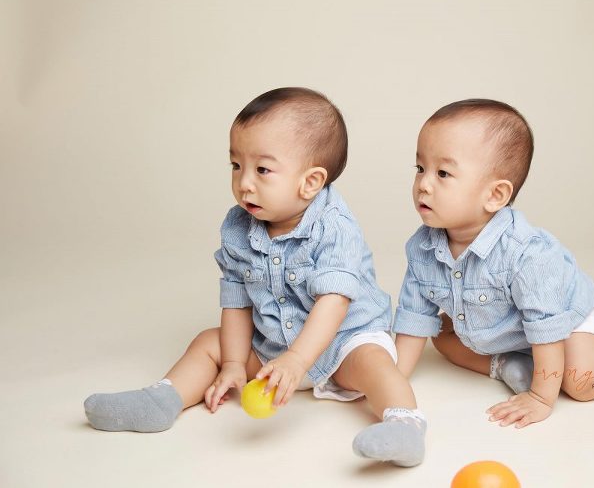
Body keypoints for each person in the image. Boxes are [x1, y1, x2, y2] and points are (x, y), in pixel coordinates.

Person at [84, 87, 426, 467]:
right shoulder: (237, 226)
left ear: (310, 182)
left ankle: (404, 425)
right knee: (208, 342)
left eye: (262, 170)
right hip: (274, 344)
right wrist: (233, 363)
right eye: (236, 165)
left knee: (376, 362)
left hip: (342, 341)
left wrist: (298, 361)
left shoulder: (334, 226)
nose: (245, 182)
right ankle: (163, 399)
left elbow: (335, 301)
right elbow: (236, 297)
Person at [393, 99, 594, 429]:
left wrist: (541, 398)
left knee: (583, 383)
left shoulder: (526, 253)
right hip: (502, 328)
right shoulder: (422, 247)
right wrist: (391, 380)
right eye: (420, 169)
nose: (424, 184)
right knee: (439, 335)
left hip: (563, 322)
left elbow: (545, 327)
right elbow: (414, 318)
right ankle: (507, 364)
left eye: (443, 173)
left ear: (495, 196)